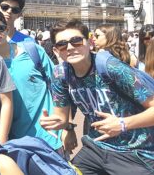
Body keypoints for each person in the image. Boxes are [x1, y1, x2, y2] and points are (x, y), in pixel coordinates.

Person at [40, 18, 154, 174]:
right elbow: (62, 117)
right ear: (56, 51)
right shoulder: (60, 74)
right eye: (62, 44)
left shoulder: (111, 67)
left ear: (90, 43)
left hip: (134, 151)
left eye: (76, 41)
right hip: (95, 147)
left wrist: (122, 124)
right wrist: (60, 125)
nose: (70, 48)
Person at [0, 10, 61, 151]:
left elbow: (58, 85)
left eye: (0, 28)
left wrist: (67, 125)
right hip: (16, 139)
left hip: (48, 135)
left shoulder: (33, 51)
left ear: (7, 28)